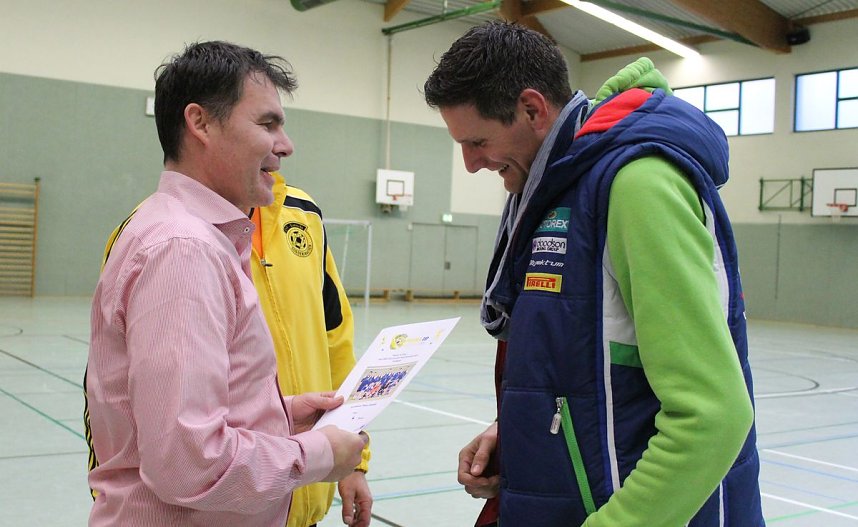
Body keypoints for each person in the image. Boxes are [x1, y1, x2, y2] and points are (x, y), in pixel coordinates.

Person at [423, 21, 764, 526]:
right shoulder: (556, 187)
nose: (471, 164)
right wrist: (520, 432)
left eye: (477, 142)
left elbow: (712, 416)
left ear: (533, 110)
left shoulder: (636, 184)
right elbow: (588, 366)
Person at [85, 41, 367, 526]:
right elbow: (188, 465)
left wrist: (279, 414)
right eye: (267, 123)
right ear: (200, 124)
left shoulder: (194, 237)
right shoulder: (182, 251)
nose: (286, 144)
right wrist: (319, 453)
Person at [249, 174, 373, 527]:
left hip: (306, 499)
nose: (284, 144)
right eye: (265, 124)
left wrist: (355, 463)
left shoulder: (304, 214)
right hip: (231, 508)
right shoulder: (168, 235)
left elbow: (337, 339)